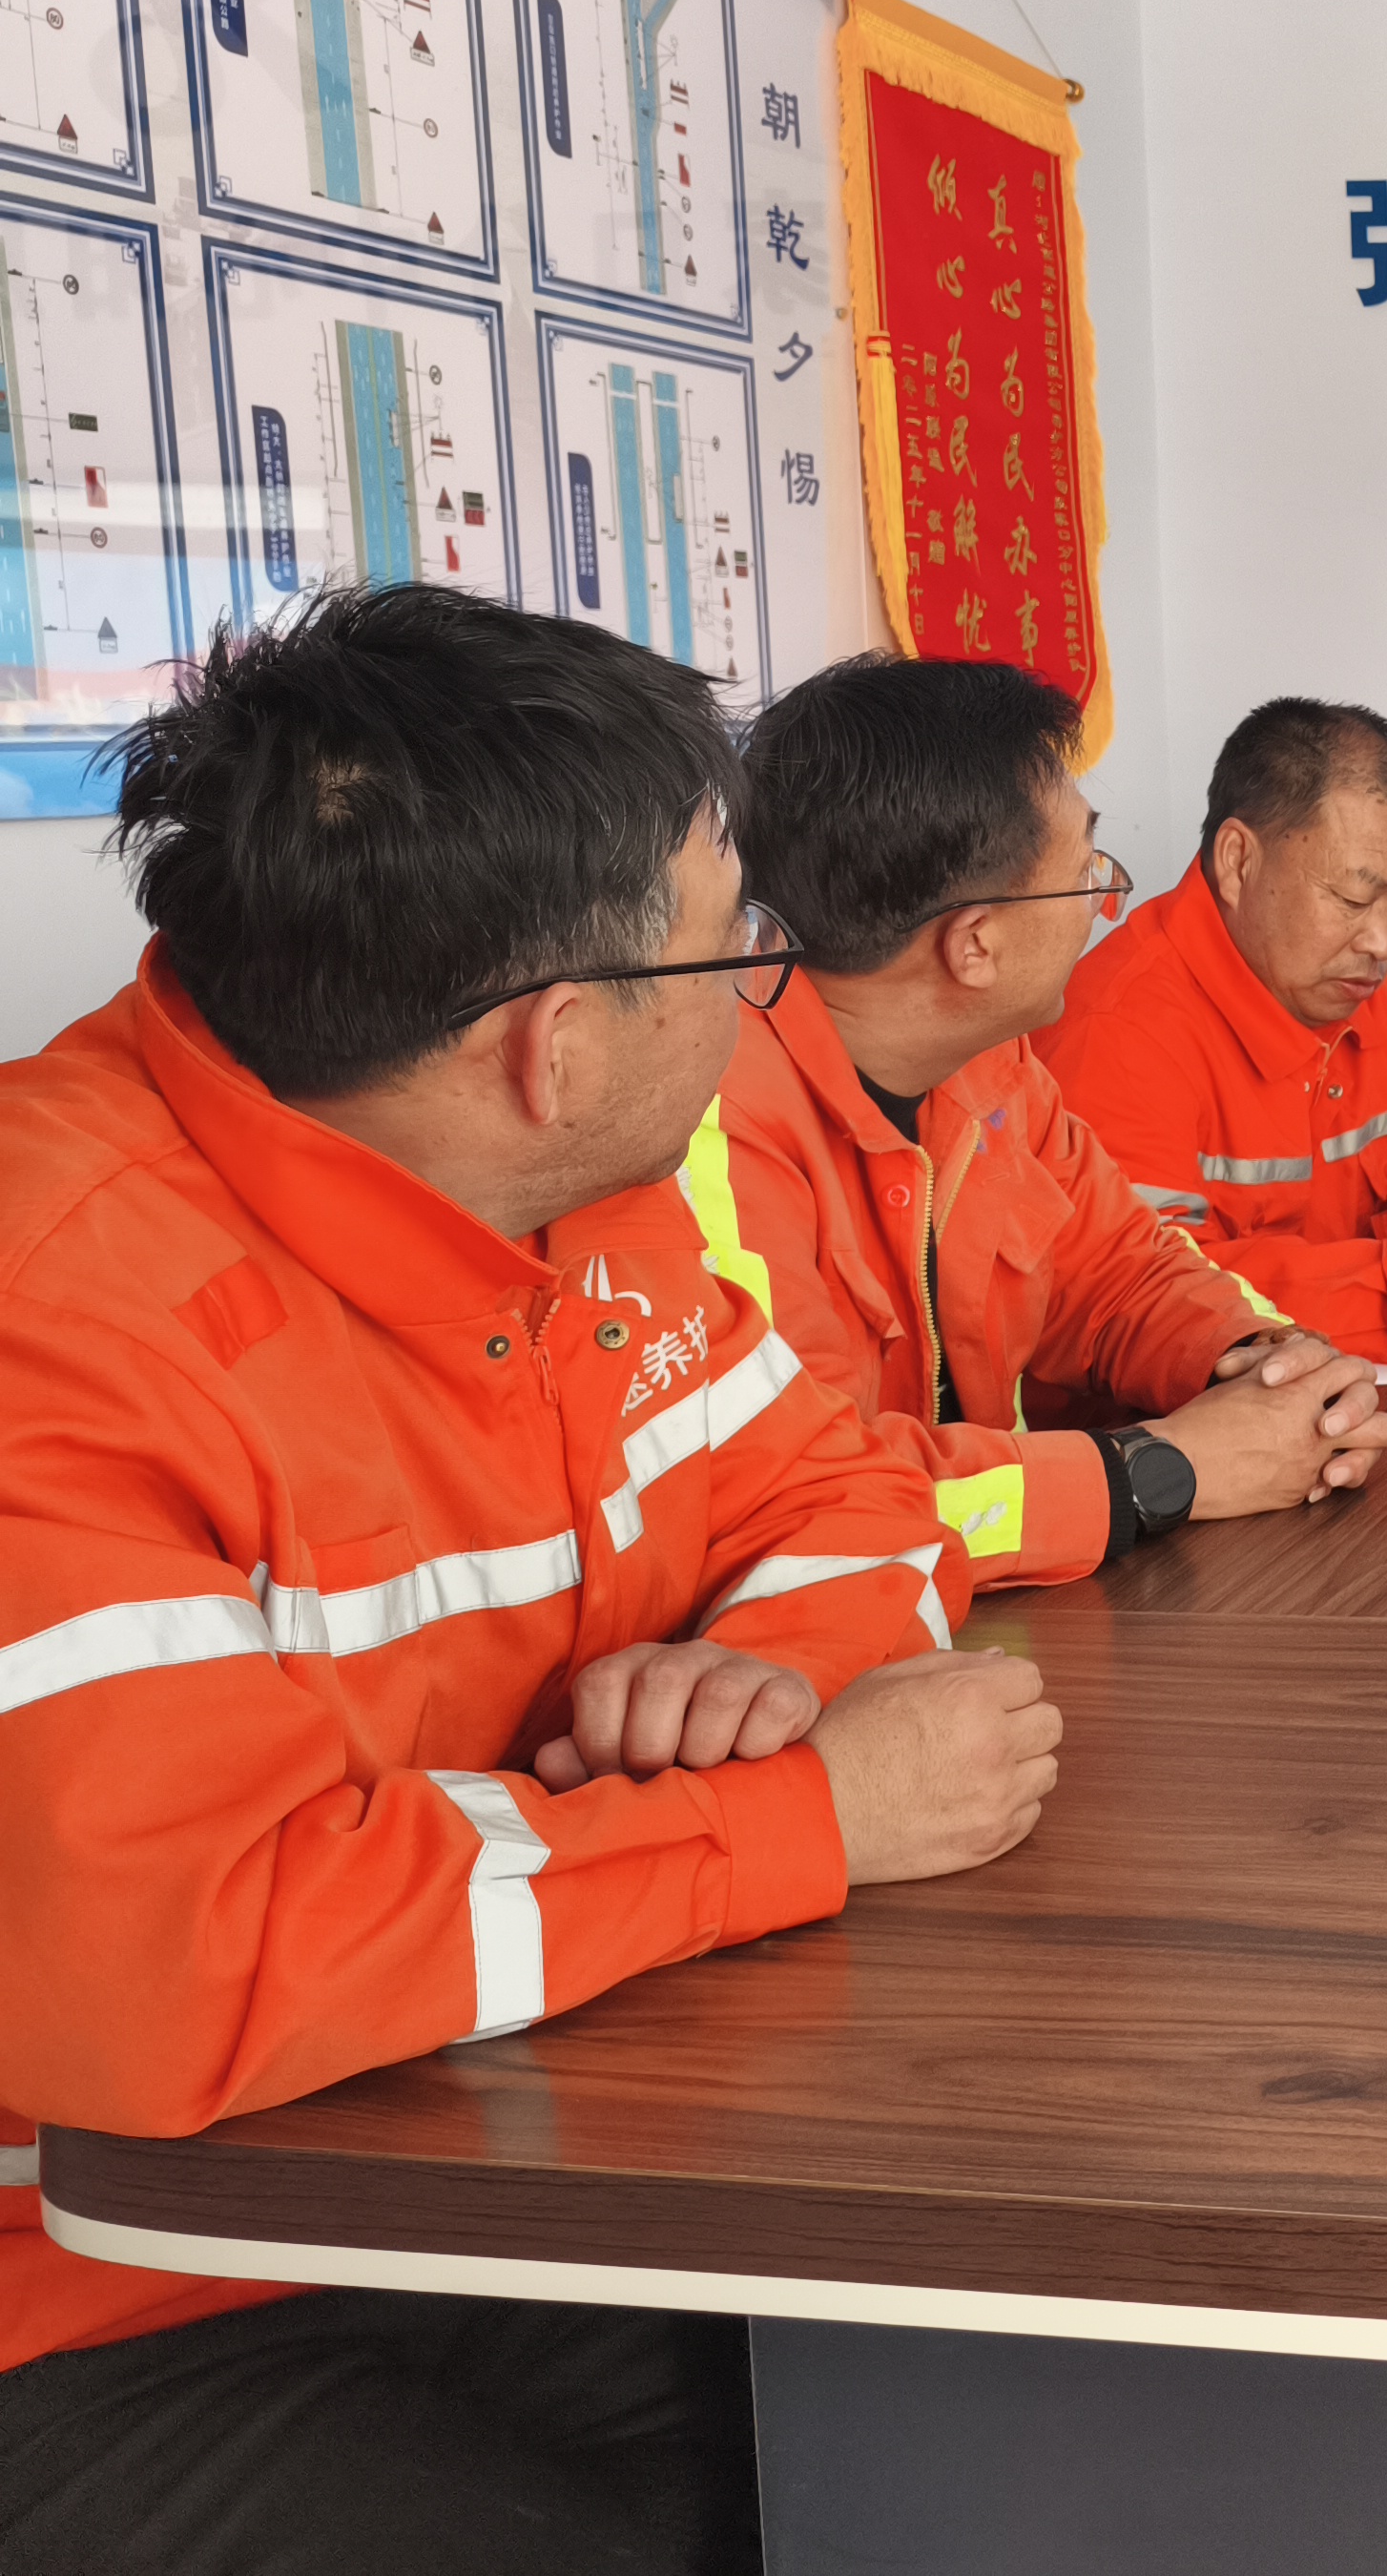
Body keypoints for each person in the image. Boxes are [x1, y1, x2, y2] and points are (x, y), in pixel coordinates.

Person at [0, 585, 1062, 2574]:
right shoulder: (57, 1319)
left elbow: (849, 1488)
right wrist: (802, 1816)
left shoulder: (572, 1204)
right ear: (554, 1047)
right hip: (97, 2287)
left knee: (979, 2444)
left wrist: (770, 1665)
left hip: (479, 2152)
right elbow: (190, 1960)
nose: (764, 999)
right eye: (735, 949)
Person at [705, 655, 1387, 1591]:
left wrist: (1263, 1366)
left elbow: (1122, 1268)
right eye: (1084, 875)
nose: (1104, 905)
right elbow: (805, 1501)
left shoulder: (991, 1068)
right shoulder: (711, 1135)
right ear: (975, 945)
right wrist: (1160, 1471)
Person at [1032, 698, 1387, 1362]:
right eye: (1353, 900)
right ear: (1238, 861)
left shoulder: (1346, 992)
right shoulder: (1120, 1032)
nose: (1382, 942)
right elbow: (1134, 1295)